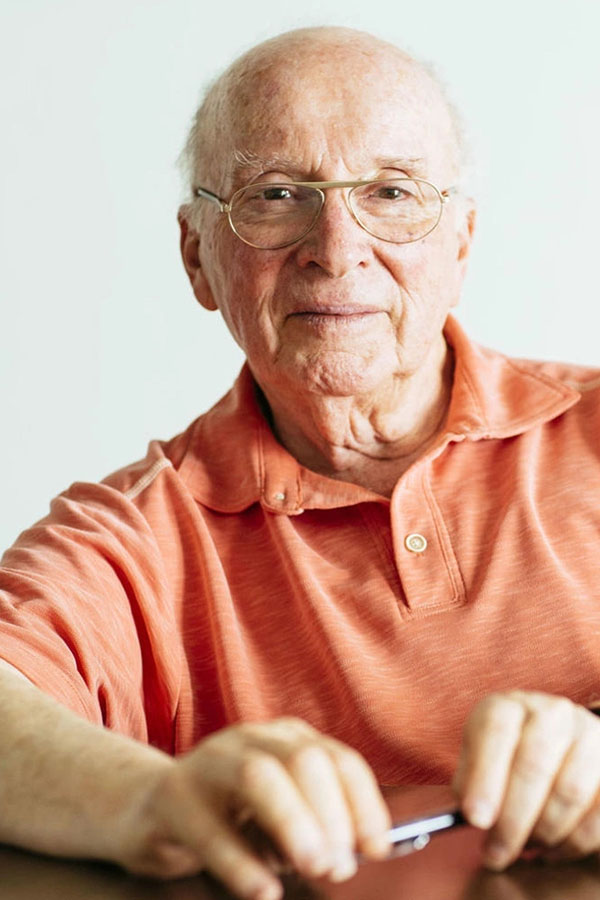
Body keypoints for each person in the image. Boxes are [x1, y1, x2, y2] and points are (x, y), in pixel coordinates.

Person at [2, 24, 600, 900]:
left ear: (461, 245)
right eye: (278, 195)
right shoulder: (134, 536)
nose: (337, 246)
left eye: (392, 192)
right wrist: (150, 800)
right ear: (198, 258)